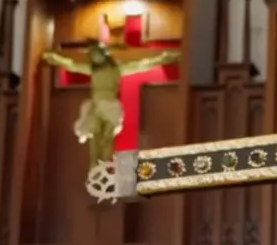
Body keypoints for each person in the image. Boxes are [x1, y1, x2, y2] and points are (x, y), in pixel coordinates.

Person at [42, 42, 180, 169]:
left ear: (104, 54)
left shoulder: (117, 69)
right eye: (93, 56)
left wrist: (163, 58)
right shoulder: (93, 69)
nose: (96, 58)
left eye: (98, 54)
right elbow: (71, 64)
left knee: (108, 137)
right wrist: (56, 58)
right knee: (95, 136)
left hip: (110, 106)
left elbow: (142, 64)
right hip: (96, 106)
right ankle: (94, 166)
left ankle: (104, 165)